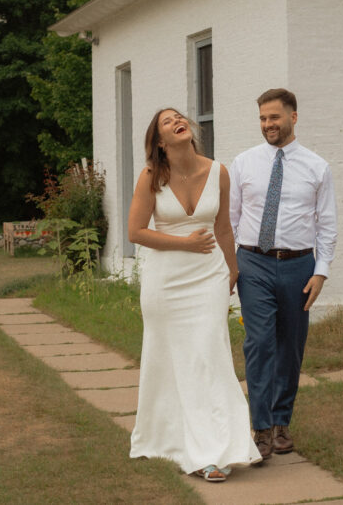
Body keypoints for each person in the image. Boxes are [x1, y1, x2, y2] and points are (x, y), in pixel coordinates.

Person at [128, 107, 262, 482]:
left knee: (208, 356)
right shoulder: (152, 176)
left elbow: (223, 229)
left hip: (208, 277)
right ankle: (172, 438)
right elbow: (136, 232)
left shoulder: (218, 171)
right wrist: (184, 243)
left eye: (178, 116)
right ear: (160, 141)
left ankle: (216, 450)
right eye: (166, 121)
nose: (176, 121)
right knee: (168, 360)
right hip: (165, 280)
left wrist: (232, 271)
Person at [229, 88, 337, 460]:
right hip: (253, 263)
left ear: (293, 117)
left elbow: (327, 225)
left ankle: (281, 423)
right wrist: (230, 265)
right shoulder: (243, 163)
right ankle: (259, 429)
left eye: (274, 117)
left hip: (298, 266)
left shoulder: (317, 167)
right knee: (259, 343)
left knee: (290, 345)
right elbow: (230, 218)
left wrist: (320, 273)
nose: (267, 125)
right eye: (262, 118)